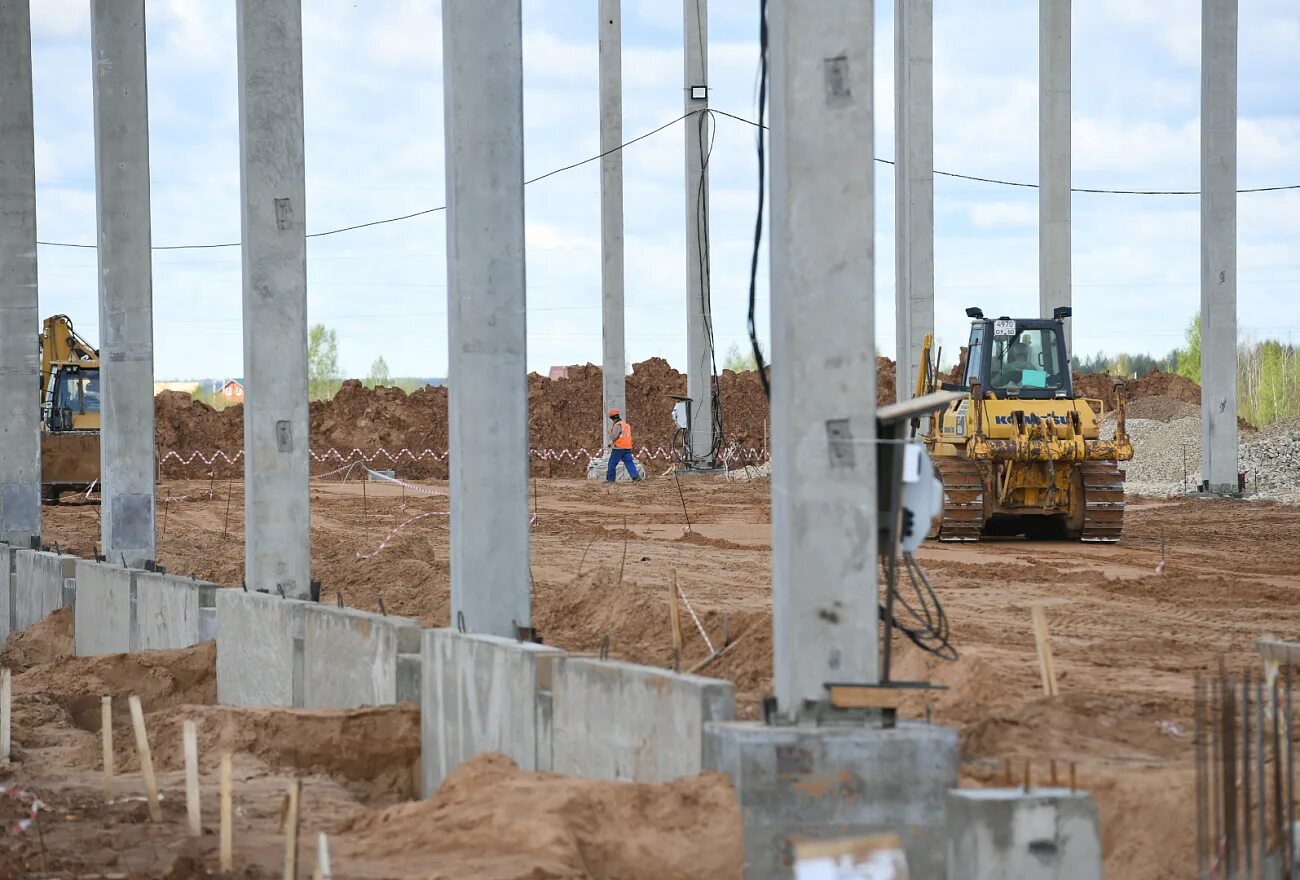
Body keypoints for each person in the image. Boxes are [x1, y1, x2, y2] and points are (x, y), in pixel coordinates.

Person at [606, 408, 643, 483]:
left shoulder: (617, 425)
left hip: (619, 448)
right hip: (627, 447)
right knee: (629, 462)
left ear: (612, 418)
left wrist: (610, 434)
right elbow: (623, 437)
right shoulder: (625, 425)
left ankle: (610, 480)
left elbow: (614, 436)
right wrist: (612, 444)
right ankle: (636, 477)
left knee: (612, 463)